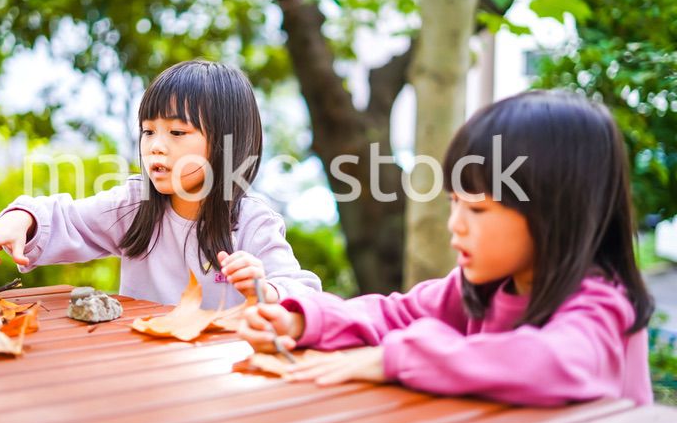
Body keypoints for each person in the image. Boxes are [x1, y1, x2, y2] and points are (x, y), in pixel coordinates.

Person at [238, 90, 654, 406]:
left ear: (556, 212)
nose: (455, 225)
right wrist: (301, 322)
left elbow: (554, 361)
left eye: (477, 208)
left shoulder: (600, 302)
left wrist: (396, 359)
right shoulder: (484, 287)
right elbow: (396, 314)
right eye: (454, 202)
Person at [0, 60, 321, 308]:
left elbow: (304, 292)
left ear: (227, 143)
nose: (155, 145)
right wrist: (19, 220)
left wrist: (267, 289)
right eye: (148, 130)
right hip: (141, 362)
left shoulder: (253, 223)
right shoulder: (135, 206)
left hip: (222, 373)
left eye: (177, 132)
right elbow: (65, 219)